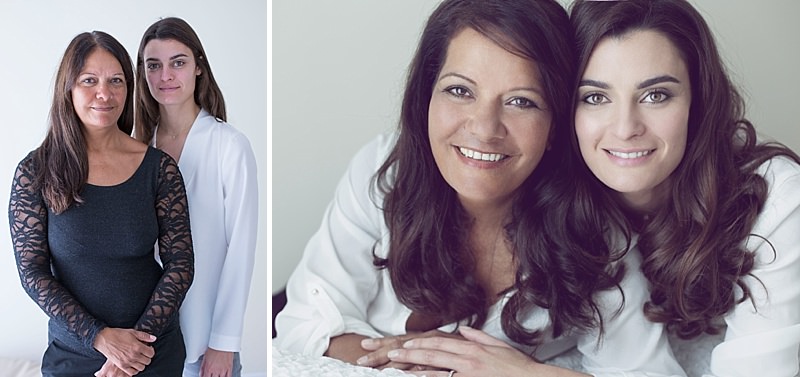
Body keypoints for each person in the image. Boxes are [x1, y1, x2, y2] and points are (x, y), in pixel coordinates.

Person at [275, 0, 685, 376]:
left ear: (554, 126)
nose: (484, 128)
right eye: (459, 91)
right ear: (426, 99)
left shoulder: (596, 236)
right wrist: (418, 365)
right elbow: (302, 324)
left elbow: (649, 372)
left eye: (521, 101)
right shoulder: (384, 172)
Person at [567, 0, 800, 375]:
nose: (626, 127)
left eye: (656, 95)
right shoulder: (564, 202)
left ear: (698, 101)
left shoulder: (777, 196)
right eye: (595, 97)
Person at [8, 31, 194, 377]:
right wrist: (101, 338)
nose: (104, 94)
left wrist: (135, 348)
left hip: (153, 353)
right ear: (69, 88)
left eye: (116, 81)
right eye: (89, 80)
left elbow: (180, 265)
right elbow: (33, 273)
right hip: (76, 355)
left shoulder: (160, 168)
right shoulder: (34, 171)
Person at [134, 17, 259, 377]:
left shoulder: (229, 146)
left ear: (199, 67)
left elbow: (241, 248)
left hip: (204, 343)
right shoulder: (138, 148)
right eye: (153, 65)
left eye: (178, 62)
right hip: (146, 341)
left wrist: (223, 342)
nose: (165, 76)